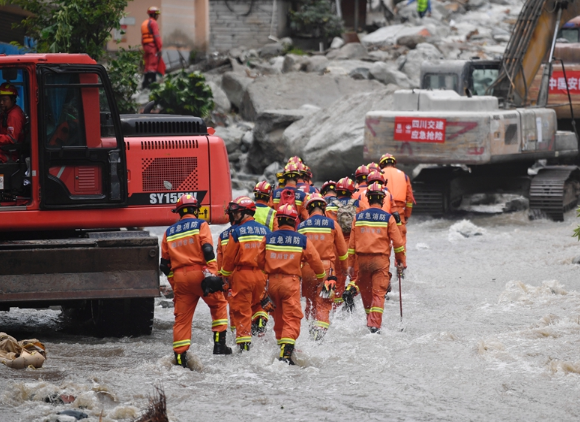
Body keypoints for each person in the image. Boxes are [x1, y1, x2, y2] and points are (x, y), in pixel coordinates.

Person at [160, 194, 232, 368]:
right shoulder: (201, 224)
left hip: (180, 278)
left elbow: (164, 264)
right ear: (195, 209)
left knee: (182, 319)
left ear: (179, 212)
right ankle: (219, 345)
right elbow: (207, 249)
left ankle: (180, 358)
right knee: (219, 305)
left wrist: (174, 282)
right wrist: (213, 273)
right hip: (200, 273)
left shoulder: (168, 232)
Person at [255, 204, 326, 365]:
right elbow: (315, 261)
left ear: (278, 220)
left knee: (278, 317)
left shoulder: (268, 237)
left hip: (272, 282)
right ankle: (286, 354)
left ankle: (282, 346)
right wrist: (322, 278)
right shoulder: (301, 239)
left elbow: (259, 260)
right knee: (292, 317)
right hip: (291, 283)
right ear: (294, 220)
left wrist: (270, 269)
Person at [347, 183, 406, 333]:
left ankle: (369, 320)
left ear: (367, 198)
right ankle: (374, 325)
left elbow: (352, 245)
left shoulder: (358, 218)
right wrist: (400, 261)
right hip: (380, 261)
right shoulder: (388, 218)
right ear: (382, 200)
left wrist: (350, 265)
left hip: (362, 261)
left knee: (366, 292)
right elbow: (398, 243)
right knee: (378, 293)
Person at [220, 197, 271, 351]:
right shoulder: (266, 230)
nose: (234, 216)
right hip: (262, 276)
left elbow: (228, 259)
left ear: (246, 212)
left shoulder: (236, 232)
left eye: (237, 212)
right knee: (258, 303)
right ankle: (261, 319)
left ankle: (244, 350)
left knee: (242, 312)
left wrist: (224, 276)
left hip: (242, 276)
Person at [297, 193, 347, 340]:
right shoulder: (332, 224)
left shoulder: (301, 226)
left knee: (310, 302)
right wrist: (344, 269)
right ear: (323, 208)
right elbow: (343, 252)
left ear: (308, 209)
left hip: (306, 270)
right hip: (327, 271)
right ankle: (318, 337)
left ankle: (310, 330)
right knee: (324, 302)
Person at [379, 153, 414, 247]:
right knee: (400, 242)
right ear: (394, 163)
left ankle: (384, 261)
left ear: (381, 164)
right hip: (399, 212)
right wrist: (406, 215)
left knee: (382, 241)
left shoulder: (378, 175)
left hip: (383, 210)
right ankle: (401, 261)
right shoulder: (404, 175)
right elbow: (409, 199)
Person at [0, 83, 25, 163]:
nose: (1, 103)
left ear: (13, 99)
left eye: (4, 100)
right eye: (0, 99)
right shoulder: (6, 112)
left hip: (9, 154)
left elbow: (12, 139)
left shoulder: (14, 115)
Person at [141, 6, 164, 88]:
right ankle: (153, 83)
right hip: (152, 47)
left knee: (147, 65)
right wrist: (159, 48)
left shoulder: (144, 23)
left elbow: (143, 38)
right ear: (154, 15)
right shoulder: (153, 23)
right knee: (153, 65)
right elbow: (156, 36)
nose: (158, 16)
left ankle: (145, 83)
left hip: (145, 47)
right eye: (157, 15)